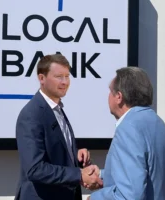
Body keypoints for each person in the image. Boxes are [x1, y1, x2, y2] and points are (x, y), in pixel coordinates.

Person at [15, 54, 102, 200]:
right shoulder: (32, 115)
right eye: (59, 77)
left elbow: (53, 149)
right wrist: (79, 175)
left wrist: (74, 154)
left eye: (67, 76)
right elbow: (35, 169)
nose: (65, 82)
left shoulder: (56, 109)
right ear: (41, 78)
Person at [87, 67, 165, 200]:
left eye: (110, 91)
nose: (108, 96)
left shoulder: (129, 127)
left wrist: (93, 199)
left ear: (119, 97)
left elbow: (128, 195)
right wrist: (102, 175)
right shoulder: (157, 122)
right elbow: (145, 173)